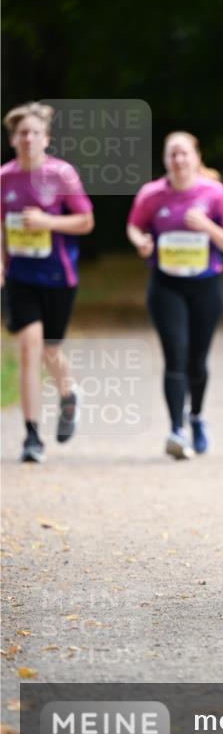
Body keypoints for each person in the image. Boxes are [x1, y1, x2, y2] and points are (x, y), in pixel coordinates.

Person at [127, 131, 223, 459]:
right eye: (171, 154)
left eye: (183, 154)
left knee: (197, 359)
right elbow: (135, 226)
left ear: (196, 157)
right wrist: (140, 241)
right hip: (166, 285)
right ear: (165, 160)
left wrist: (207, 227)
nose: (178, 160)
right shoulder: (152, 194)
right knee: (174, 355)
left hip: (206, 286)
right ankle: (175, 429)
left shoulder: (214, 193)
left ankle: (196, 418)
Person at [1, 102, 94, 463]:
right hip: (20, 277)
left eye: (34, 133)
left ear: (46, 138)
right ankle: (31, 435)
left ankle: (68, 393)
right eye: (22, 133)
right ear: (13, 139)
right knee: (28, 347)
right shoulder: (4, 178)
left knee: (50, 349)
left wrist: (47, 223)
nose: (28, 138)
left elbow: (85, 222)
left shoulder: (62, 175)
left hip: (58, 276)